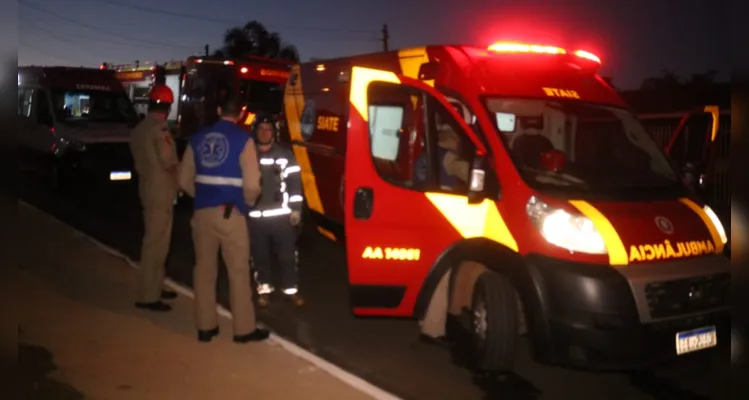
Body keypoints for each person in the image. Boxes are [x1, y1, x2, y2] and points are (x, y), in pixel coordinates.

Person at [177, 96, 270, 343]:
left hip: (202, 213)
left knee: (204, 271)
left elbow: (184, 179)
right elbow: (252, 184)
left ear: (218, 110)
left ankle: (205, 327)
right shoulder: (243, 140)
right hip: (231, 213)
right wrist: (245, 205)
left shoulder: (197, 139)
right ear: (239, 114)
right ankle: (243, 330)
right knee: (238, 272)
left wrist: (204, 197)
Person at [414, 112, 471, 346]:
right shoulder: (448, 157)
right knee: (444, 275)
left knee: (428, 272)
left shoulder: (424, 156)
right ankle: (433, 330)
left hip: (424, 214)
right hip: (443, 217)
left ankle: (425, 320)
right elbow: (468, 172)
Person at [129, 84, 179, 312]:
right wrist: (182, 182)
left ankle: (156, 286)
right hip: (161, 192)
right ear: (167, 107)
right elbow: (169, 162)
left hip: (147, 188)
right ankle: (148, 296)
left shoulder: (139, 128)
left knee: (157, 242)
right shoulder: (160, 130)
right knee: (155, 245)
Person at [247, 113, 305, 307]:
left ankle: (291, 290)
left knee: (287, 257)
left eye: (268, 129)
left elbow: (295, 183)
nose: (264, 133)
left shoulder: (285, 155)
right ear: (255, 132)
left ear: (275, 132)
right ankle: (264, 290)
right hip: (255, 218)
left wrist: (296, 210)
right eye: (261, 129)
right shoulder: (247, 154)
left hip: (282, 218)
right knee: (259, 257)